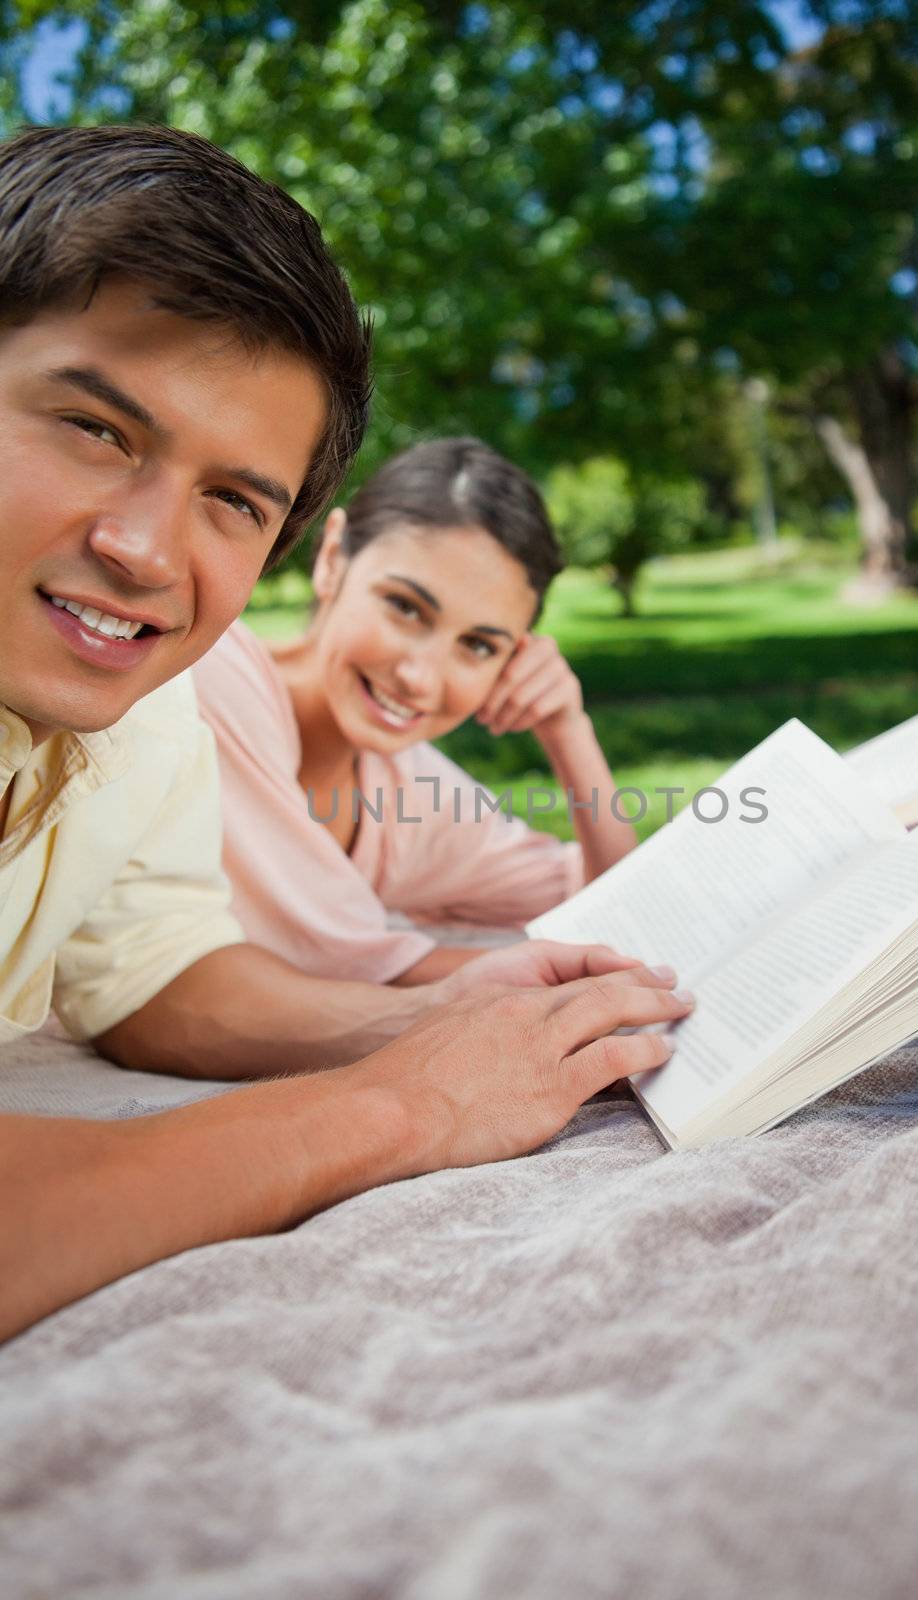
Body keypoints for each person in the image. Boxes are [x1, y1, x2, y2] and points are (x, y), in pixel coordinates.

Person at [0, 124, 691, 1344]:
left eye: (231, 499)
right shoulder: (219, 699)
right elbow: (350, 948)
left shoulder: (149, 710)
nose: (149, 551)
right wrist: (397, 1101)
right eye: (97, 428)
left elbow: (155, 971)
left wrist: (456, 1009)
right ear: (332, 568)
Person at [193, 438, 638, 985]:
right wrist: (556, 972)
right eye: (404, 607)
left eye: (478, 646)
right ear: (333, 558)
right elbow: (331, 952)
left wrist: (569, 730)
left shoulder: (408, 793)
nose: (420, 678)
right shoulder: (210, 680)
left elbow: (618, 906)